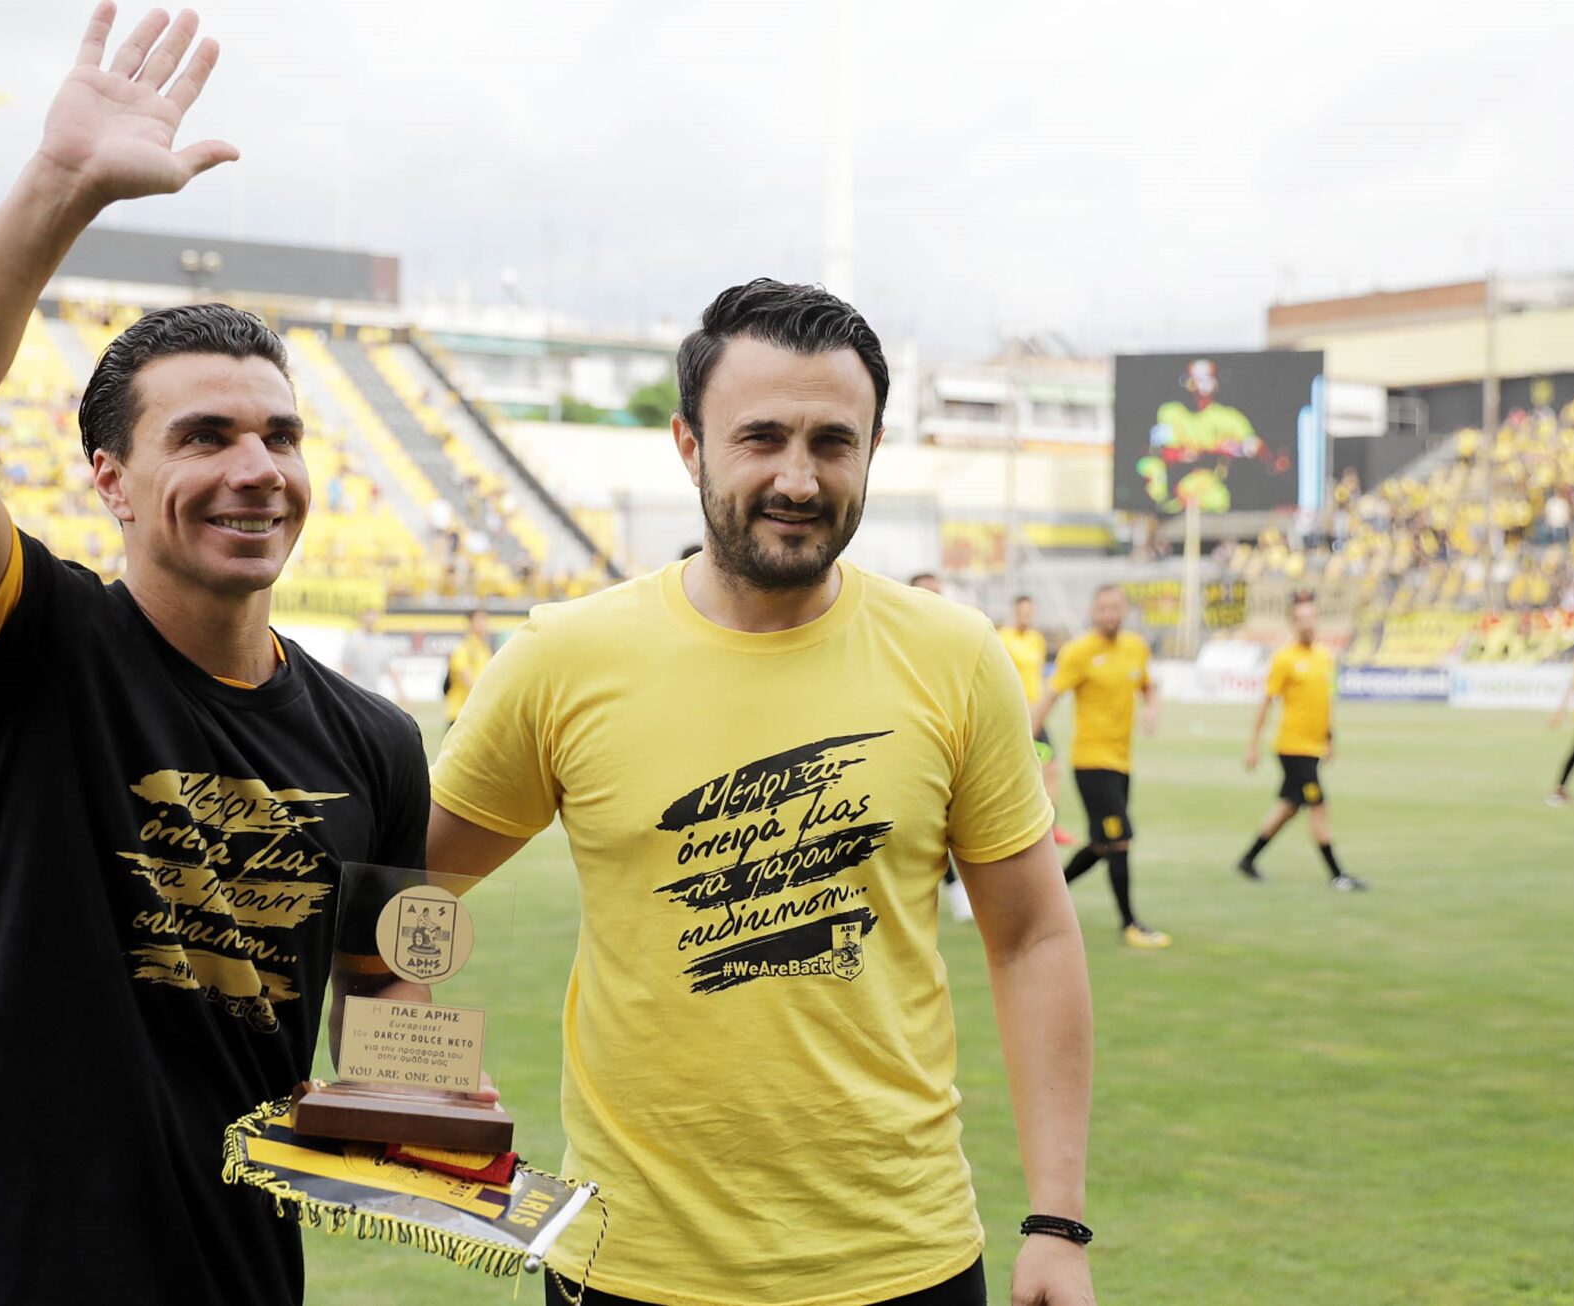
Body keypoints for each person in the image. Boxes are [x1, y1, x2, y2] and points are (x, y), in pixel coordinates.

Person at [0, 9, 431, 1303]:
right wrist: (62, 185)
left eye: (281, 435)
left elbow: (396, 1028)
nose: (256, 468)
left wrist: (442, 1134)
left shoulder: (379, 744)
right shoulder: (33, 648)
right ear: (110, 478)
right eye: (205, 435)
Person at [431, 279, 1096, 1306]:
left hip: (901, 1261)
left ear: (872, 452)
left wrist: (1056, 1222)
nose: (798, 477)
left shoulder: (955, 657)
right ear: (689, 446)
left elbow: (1031, 937)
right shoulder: (564, 658)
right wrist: (409, 1057)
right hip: (628, 1266)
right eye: (760, 438)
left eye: (833, 442)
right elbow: (400, 885)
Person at [1033, 584, 1170, 948]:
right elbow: (1050, 696)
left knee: (1101, 843)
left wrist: (1152, 709)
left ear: (1124, 610)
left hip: (1122, 764)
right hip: (1091, 763)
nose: (1109, 614)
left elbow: (1148, 686)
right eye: (1103, 608)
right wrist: (1026, 741)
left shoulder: (1135, 647)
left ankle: (1043, 897)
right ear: (1093, 611)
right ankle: (1130, 924)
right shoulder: (1079, 652)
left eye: (1115, 607)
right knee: (1120, 839)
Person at [1239, 594, 1367, 889]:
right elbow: (1266, 702)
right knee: (1319, 806)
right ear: (1293, 623)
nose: (1307, 624)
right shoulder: (1284, 659)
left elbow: (1325, 702)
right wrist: (1253, 745)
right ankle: (1337, 875)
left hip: (1313, 747)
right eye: (1301, 619)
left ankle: (1248, 860)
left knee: (1288, 807)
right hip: (1293, 748)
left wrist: (1330, 738)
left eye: (1312, 618)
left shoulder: (1324, 657)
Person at [909, 570, 977, 926]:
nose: (932, 600)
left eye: (937, 592)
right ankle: (954, 892)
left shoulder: (955, 640)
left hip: (955, 741)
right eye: (925, 593)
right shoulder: (895, 643)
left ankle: (962, 893)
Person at [998, 594, 1075, 848]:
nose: (1026, 617)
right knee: (1012, 771)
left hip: (1035, 716)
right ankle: (1007, 824)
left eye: (1030, 612)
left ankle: (1051, 825)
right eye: (1022, 612)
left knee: (1050, 767)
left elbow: (1040, 676)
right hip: (1013, 717)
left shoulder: (1037, 640)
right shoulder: (1002, 638)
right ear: (1014, 612)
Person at [1547, 638, 1574, 805]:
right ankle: (1559, 790)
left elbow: (1573, 686)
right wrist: (1559, 712)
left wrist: (1559, 712)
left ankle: (1559, 789)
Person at [338, 608, 402, 703]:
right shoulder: (353, 640)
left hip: (374, 694)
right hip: (356, 692)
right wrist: (343, 695)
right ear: (362, 617)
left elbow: (391, 670)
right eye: (369, 615)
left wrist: (402, 696)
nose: (372, 619)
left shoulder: (382, 642)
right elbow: (346, 670)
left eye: (375, 615)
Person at [442, 606, 492, 725]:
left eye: (485, 619)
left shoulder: (484, 649)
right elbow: (466, 678)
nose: (484, 624)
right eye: (480, 620)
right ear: (470, 623)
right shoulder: (463, 648)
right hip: (460, 714)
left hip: (476, 713)